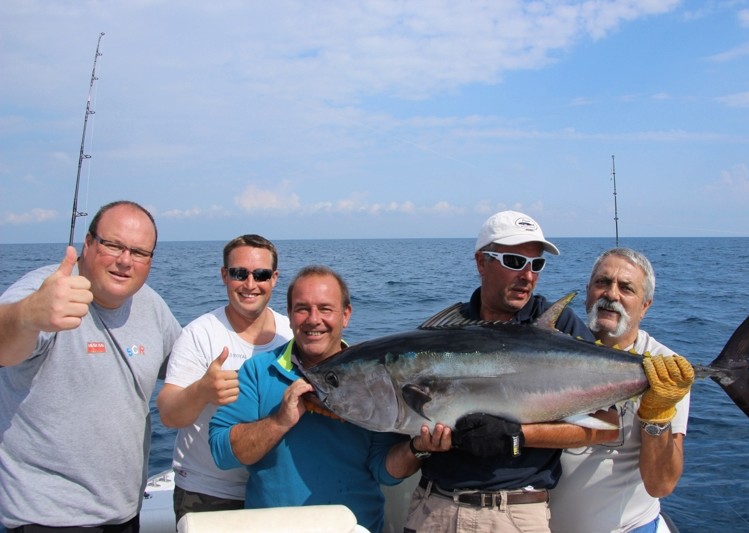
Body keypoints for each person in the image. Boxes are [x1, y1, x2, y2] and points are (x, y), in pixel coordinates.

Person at [404, 210, 620, 533]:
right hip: (433, 509)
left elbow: (608, 426)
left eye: (536, 265)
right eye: (515, 262)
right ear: (481, 263)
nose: (528, 276)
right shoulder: (449, 330)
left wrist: (515, 436)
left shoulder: (558, 326)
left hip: (515, 514)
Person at [208, 265, 449, 533]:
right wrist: (278, 421)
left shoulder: (374, 377)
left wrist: (417, 448)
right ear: (288, 315)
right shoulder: (258, 370)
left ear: (346, 315)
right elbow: (222, 453)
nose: (313, 319)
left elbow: (384, 471)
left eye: (325, 309)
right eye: (302, 308)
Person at [0, 200, 181, 532]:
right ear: (87, 243)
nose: (125, 261)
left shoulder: (152, 305)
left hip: (123, 512)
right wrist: (27, 315)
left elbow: (186, 371)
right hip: (48, 517)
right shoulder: (45, 292)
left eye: (139, 252)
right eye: (113, 245)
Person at [549, 247, 694, 533]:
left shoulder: (665, 369)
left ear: (646, 305)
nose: (611, 294)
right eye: (602, 283)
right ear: (588, 291)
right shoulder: (550, 350)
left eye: (626, 288)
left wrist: (657, 417)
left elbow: (661, 484)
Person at [156, 234, 293, 524]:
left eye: (261, 274)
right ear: (224, 275)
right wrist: (202, 391)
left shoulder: (291, 333)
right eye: (239, 273)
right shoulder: (199, 334)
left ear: (275, 278)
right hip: (208, 491)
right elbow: (168, 414)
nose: (250, 284)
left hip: (273, 489)